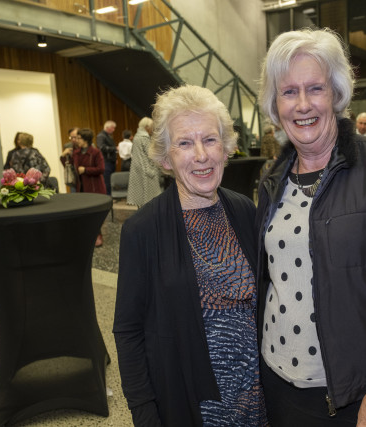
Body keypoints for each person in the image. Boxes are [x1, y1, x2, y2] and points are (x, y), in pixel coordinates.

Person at [256, 28, 366, 426]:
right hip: (278, 384)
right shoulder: (273, 179)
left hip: (355, 393)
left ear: (336, 93)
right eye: (289, 92)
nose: (303, 104)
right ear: (275, 104)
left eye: (315, 88)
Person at [113, 85, 267, 426]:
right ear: (166, 158)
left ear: (225, 148)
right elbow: (128, 330)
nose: (201, 155)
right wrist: (144, 411)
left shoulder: (244, 210)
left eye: (210, 140)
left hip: (257, 398)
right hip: (192, 403)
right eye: (184, 143)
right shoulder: (143, 230)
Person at [61, 128, 107, 246]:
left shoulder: (95, 152)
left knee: (94, 214)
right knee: (85, 213)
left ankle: (98, 235)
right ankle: (88, 236)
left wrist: (86, 170)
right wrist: (63, 156)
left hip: (94, 188)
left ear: (86, 139)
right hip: (81, 187)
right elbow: (70, 166)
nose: (76, 140)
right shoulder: (76, 153)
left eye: (79, 138)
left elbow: (101, 169)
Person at [126, 117, 162, 208]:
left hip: (137, 169)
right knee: (150, 198)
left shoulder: (136, 137)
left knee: (140, 198)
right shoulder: (144, 138)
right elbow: (151, 154)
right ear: (146, 127)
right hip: (147, 170)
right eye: (151, 127)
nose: (152, 129)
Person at [96, 120, 117, 195]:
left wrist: (115, 159)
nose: (114, 130)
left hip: (111, 162)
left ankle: (110, 196)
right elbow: (101, 147)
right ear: (107, 127)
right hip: (106, 162)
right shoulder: (101, 136)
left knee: (111, 182)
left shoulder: (108, 136)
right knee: (107, 182)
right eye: (113, 128)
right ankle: (108, 197)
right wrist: (115, 148)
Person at [63, 127, 79, 192]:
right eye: (71, 137)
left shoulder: (87, 145)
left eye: (75, 137)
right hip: (73, 177)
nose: (73, 139)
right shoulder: (67, 146)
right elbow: (65, 164)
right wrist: (63, 155)